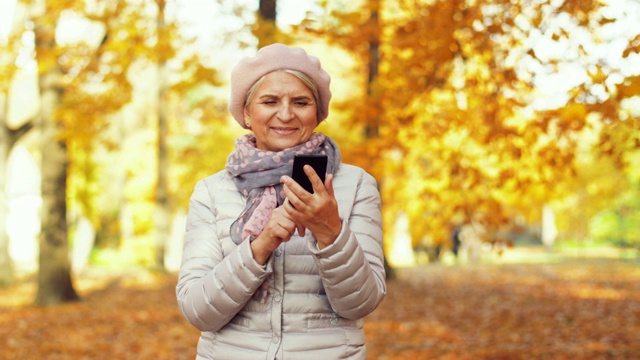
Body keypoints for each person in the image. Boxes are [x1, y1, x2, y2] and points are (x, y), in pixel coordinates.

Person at [176, 43, 386, 360]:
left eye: (300, 102)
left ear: (317, 113)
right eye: (270, 101)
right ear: (246, 113)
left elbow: (361, 304)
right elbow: (199, 312)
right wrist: (261, 244)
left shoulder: (355, 185)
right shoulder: (212, 192)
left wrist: (330, 231)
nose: (286, 114)